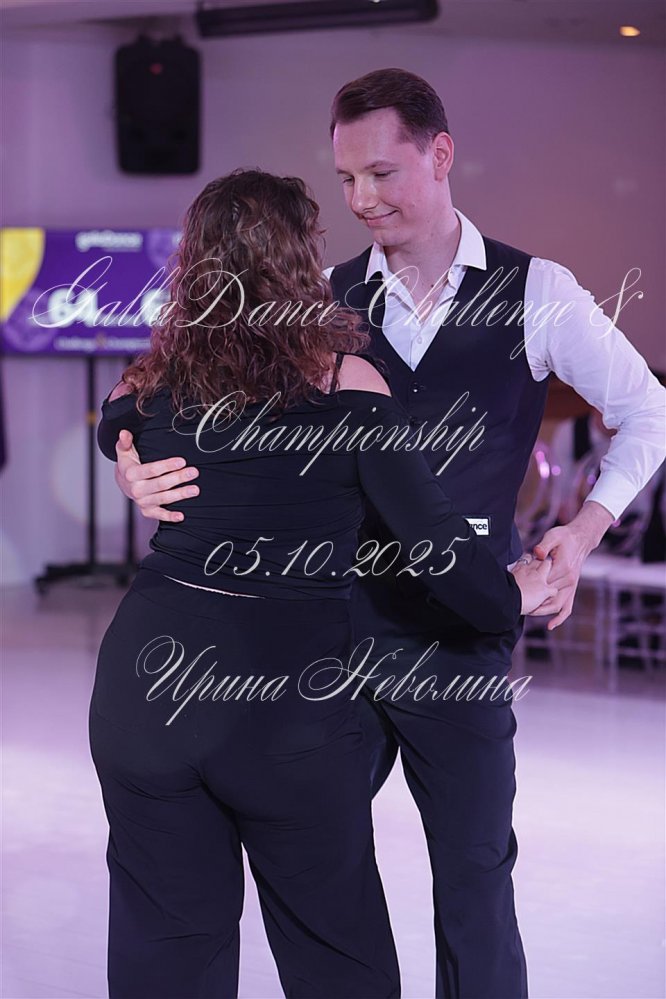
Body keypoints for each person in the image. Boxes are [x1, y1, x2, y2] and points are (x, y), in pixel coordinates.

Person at [111, 71, 666, 999]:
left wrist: (583, 529)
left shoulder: (538, 291)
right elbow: (181, 400)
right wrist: (131, 459)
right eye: (346, 179)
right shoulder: (315, 304)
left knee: (475, 879)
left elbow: (649, 410)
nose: (363, 199)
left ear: (440, 154)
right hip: (328, 641)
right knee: (315, 884)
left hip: (463, 636)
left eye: (382, 173)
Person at [90, 169, 556, 999]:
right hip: (280, 706)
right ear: (300, 263)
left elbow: (113, 416)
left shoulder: (152, 383)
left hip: (144, 689)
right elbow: (439, 551)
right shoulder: (348, 384)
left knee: (166, 951)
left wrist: (122, 456)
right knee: (337, 958)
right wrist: (518, 589)